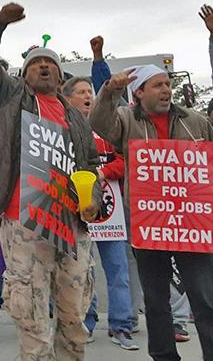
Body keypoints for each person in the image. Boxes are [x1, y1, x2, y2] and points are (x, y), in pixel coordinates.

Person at [0, 3, 101, 360]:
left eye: (50, 62)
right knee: (31, 312)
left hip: (72, 225)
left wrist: (93, 199)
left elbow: (92, 164)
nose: (44, 65)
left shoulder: (76, 119)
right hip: (24, 220)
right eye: (36, 62)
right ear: (24, 74)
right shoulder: (8, 96)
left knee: (74, 311)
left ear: (61, 76)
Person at [89, 64, 213, 361]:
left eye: (166, 84)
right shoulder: (125, 119)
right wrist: (110, 91)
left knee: (206, 299)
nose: (165, 90)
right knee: (156, 301)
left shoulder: (195, 122)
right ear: (139, 92)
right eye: (157, 85)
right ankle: (164, 356)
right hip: (148, 227)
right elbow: (98, 122)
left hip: (192, 225)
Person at [62, 75, 138, 350]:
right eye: (81, 92)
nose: (88, 96)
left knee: (118, 269)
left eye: (90, 92)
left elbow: (125, 158)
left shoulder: (109, 129)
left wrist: (104, 172)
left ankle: (122, 324)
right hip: (76, 210)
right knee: (83, 270)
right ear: (68, 98)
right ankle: (87, 321)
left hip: (112, 211)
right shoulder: (62, 128)